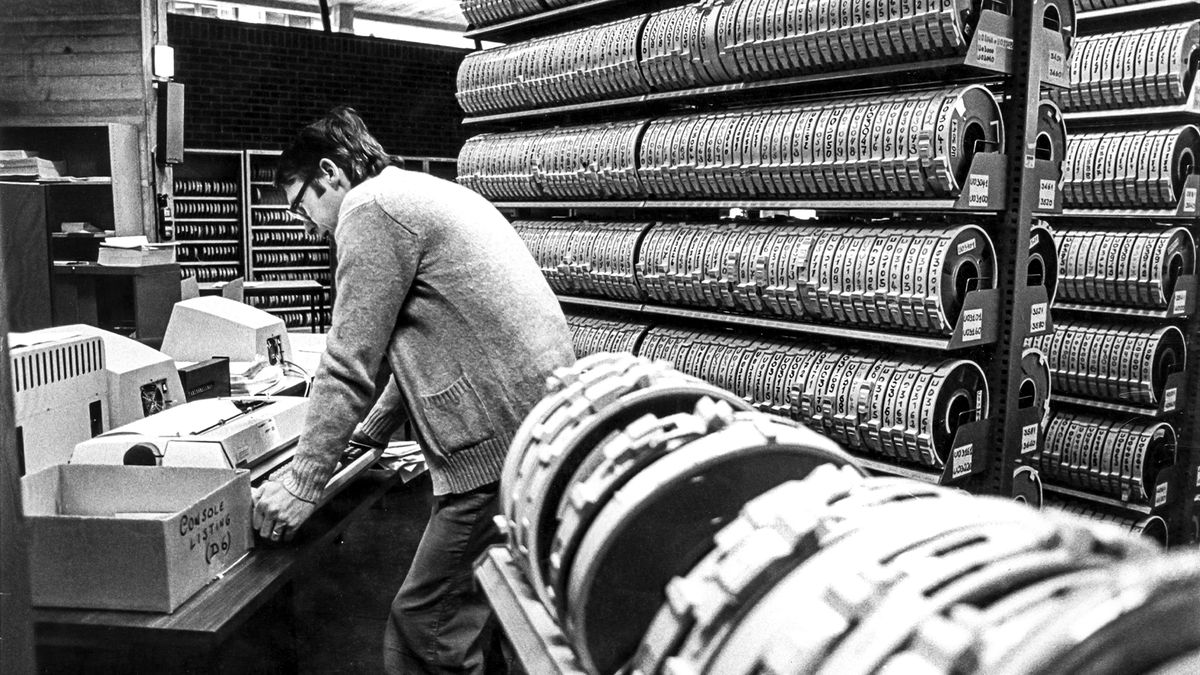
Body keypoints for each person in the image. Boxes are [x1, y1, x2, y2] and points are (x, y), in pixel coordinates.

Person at [251, 106, 576, 674]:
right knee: (481, 613)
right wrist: (373, 432)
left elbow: (349, 360)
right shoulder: (414, 192)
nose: (308, 226)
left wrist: (302, 484)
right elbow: (440, 338)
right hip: (536, 430)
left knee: (425, 627)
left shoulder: (368, 210)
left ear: (329, 173)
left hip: (496, 446)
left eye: (301, 205)